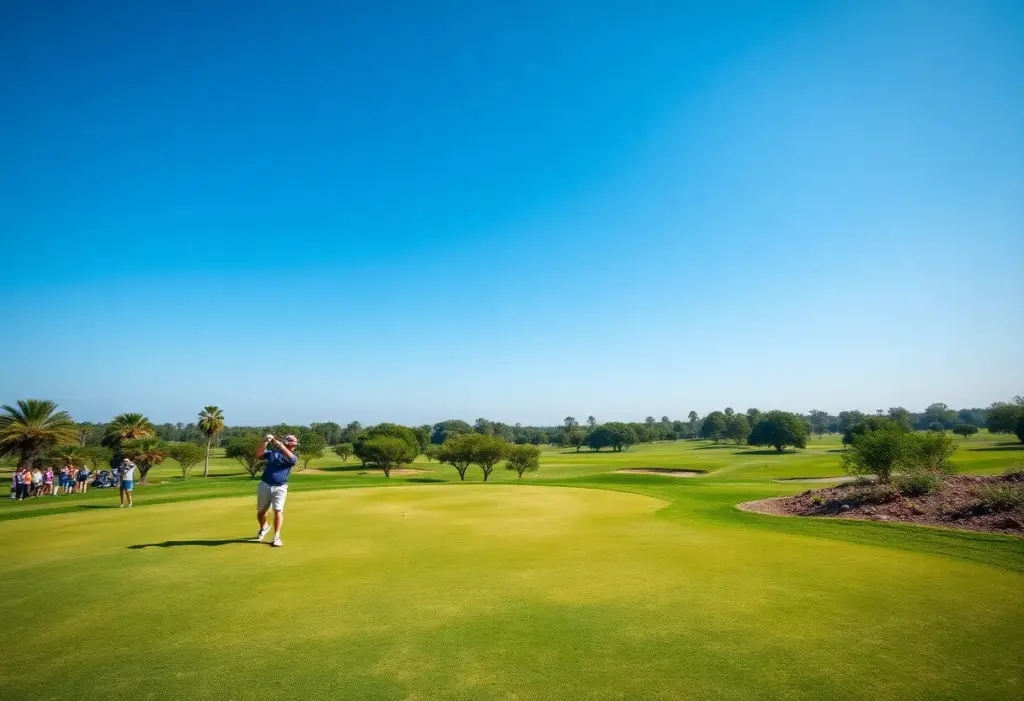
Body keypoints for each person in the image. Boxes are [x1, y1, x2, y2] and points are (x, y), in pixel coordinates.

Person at [254, 434, 298, 547]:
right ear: (288, 444)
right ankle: (263, 526)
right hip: (265, 484)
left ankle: (276, 537)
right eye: (292, 445)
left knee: (278, 511)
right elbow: (258, 455)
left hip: (281, 487)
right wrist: (265, 441)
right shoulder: (272, 454)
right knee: (261, 512)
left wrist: (279, 444)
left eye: (294, 445)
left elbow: (292, 459)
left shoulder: (291, 457)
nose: (294, 447)